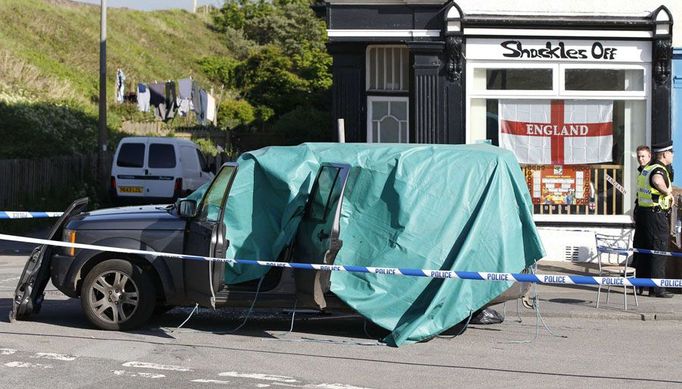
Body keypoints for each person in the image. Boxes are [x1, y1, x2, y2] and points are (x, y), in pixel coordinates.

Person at [633, 140, 676, 297]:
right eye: (671, 153)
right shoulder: (658, 169)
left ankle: (641, 286)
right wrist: (667, 193)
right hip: (656, 216)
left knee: (643, 250)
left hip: (643, 215)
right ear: (665, 154)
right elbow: (657, 181)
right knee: (659, 251)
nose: (672, 156)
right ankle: (657, 289)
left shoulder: (646, 169)